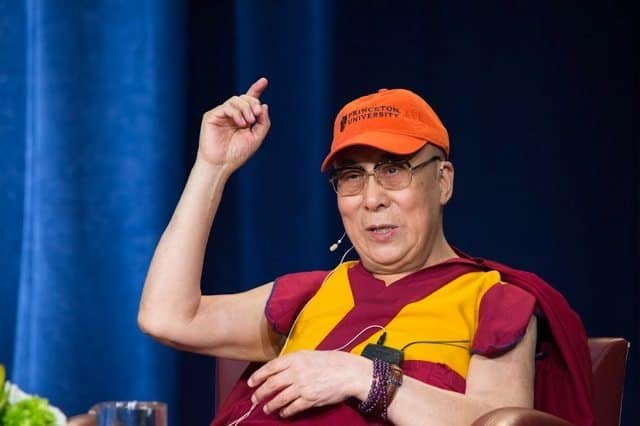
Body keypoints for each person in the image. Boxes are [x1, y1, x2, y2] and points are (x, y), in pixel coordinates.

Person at [137, 78, 593, 425]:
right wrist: (212, 167)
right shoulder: (310, 297)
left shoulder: (491, 300)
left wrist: (363, 379)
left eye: (394, 170)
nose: (372, 197)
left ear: (443, 181)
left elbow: (501, 422)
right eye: (352, 177)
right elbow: (166, 316)